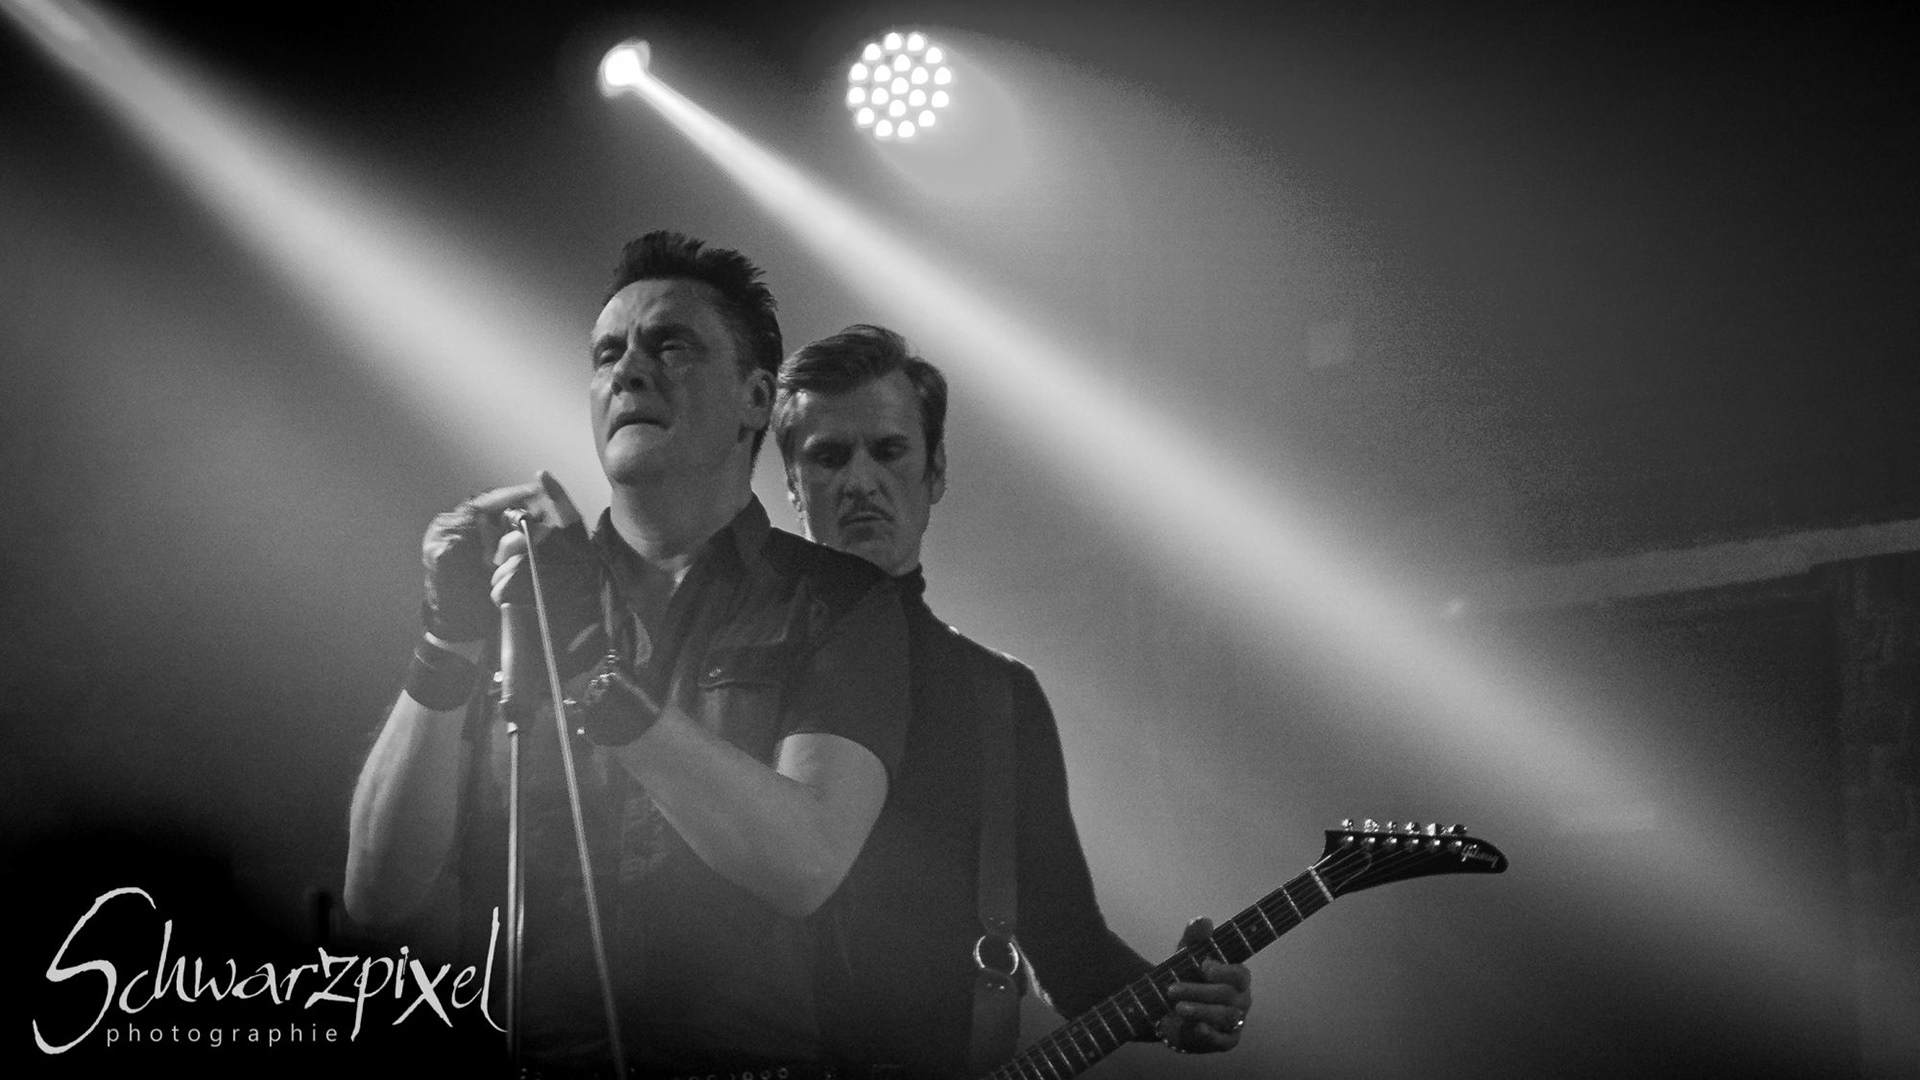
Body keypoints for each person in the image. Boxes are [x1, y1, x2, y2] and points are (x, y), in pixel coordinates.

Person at [344, 234, 912, 1077]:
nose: (630, 371)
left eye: (671, 346)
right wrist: (445, 640)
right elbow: (376, 894)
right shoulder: (522, 592)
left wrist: (588, 668)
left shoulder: (839, 602)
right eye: (608, 354)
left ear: (756, 397)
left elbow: (804, 863)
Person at [771, 324, 1254, 1079]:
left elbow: (1069, 946)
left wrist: (1179, 1003)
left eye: (889, 450)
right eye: (829, 456)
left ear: (936, 472)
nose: (860, 480)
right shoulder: (744, 669)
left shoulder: (1000, 697)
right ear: (792, 483)